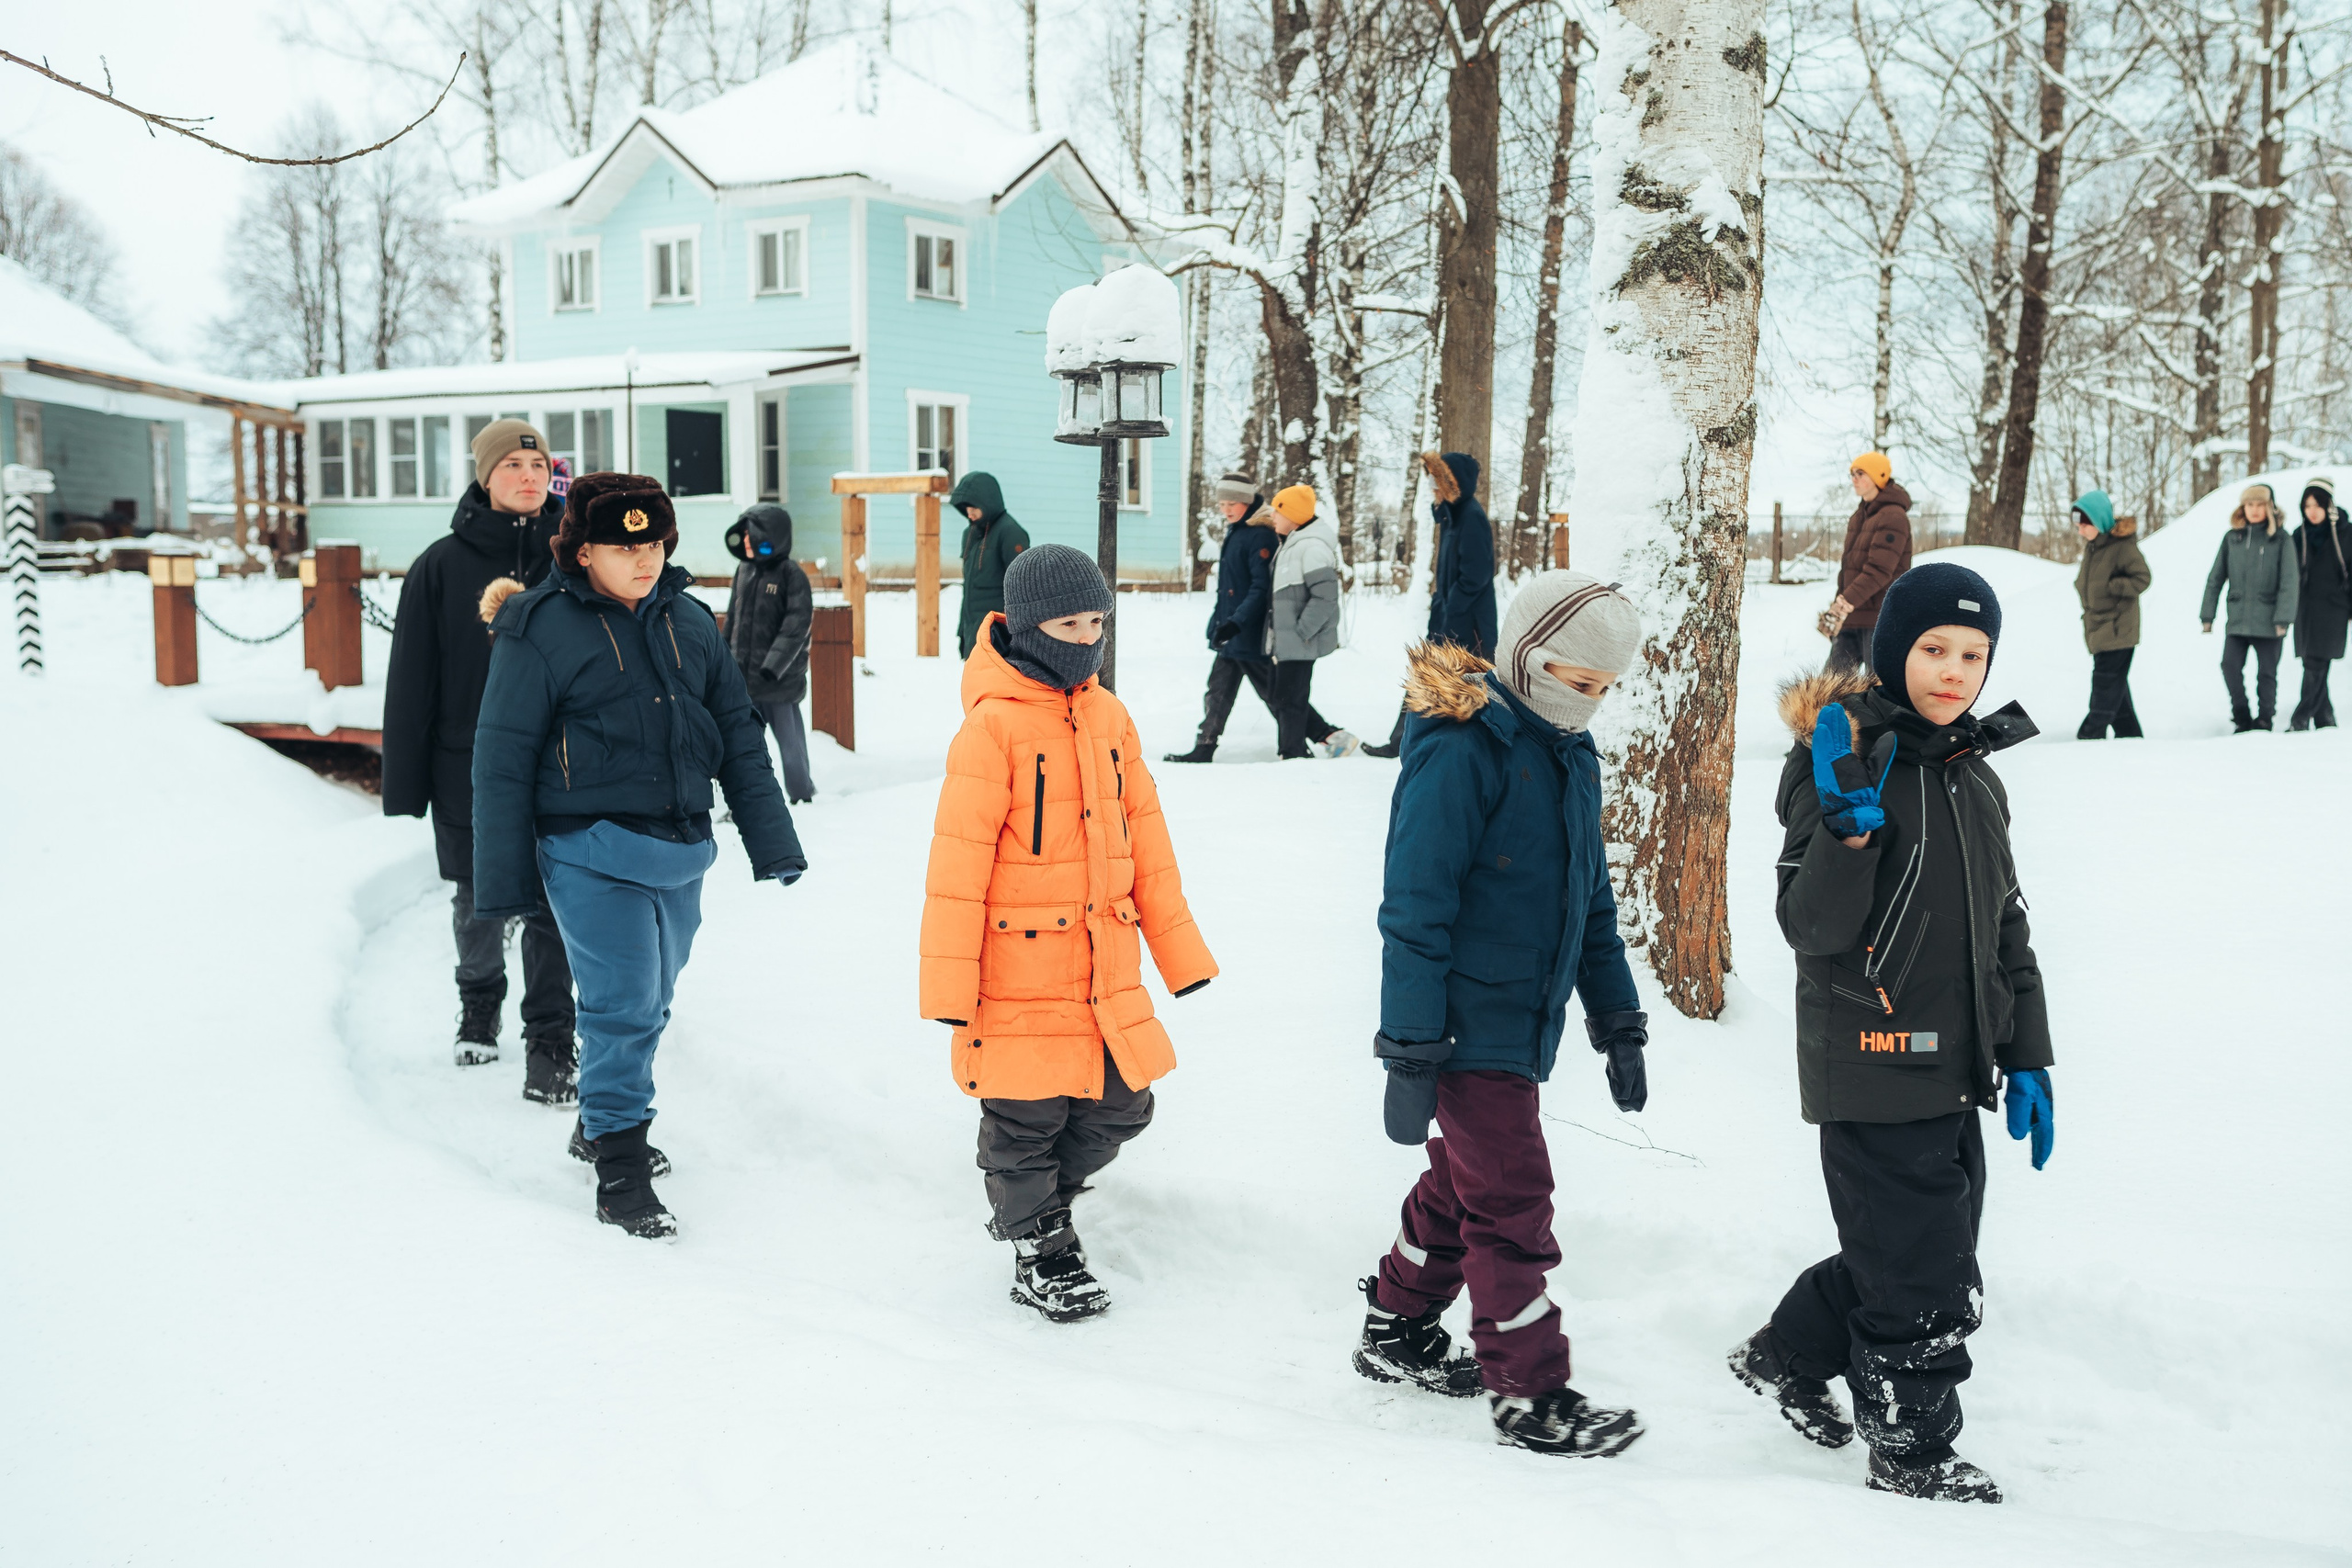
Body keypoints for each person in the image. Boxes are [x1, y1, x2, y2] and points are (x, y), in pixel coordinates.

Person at [1733, 561, 2054, 1506]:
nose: (1954, 671)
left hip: (1956, 1065)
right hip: (1872, 1057)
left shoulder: (1971, 773)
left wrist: (2026, 1050)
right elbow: (1811, 928)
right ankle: (1909, 1447)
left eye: (1972, 653)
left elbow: (2006, 927)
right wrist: (1848, 836)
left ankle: (1783, 1354)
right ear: (1890, 649)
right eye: (1932, 649)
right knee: (1925, 1277)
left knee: (1916, 1248)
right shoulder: (1843, 754)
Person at [1356, 572, 1648, 1459]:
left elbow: (1591, 903)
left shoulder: (1570, 755)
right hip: (1458, 1026)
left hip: (1525, 1022)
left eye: (1602, 689)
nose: (1585, 702)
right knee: (1513, 1197)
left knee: (1466, 1183)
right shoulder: (1460, 747)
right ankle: (1529, 1391)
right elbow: (1415, 904)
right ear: (1524, 653)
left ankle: (1396, 1326)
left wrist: (1619, 1020)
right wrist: (1410, 1050)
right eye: (1572, 677)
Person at [472, 472, 806, 1239]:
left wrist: (772, 840)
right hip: (586, 847)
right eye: (625, 546)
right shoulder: (537, 625)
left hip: (681, 848)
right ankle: (620, 1163)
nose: (644, 558)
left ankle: (597, 1117)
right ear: (584, 551)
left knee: (653, 997)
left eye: (653, 542)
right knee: (622, 1002)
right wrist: (506, 882)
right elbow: (501, 759)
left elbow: (737, 733)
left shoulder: (689, 620)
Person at [920, 544, 1217, 1321]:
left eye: (1097, 621)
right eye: (1068, 623)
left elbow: (1149, 845)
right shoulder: (991, 730)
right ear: (1026, 626)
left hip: (1102, 962)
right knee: (1026, 1115)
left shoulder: (1110, 717)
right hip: (1014, 970)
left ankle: (1038, 1202)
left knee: (1126, 1102)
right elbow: (956, 867)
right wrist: (949, 988)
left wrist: (1179, 952)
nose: (1086, 638)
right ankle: (1040, 1244)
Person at [381, 419, 579, 1098]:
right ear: (485, 476)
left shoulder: (576, 556)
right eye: (513, 466)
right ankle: (479, 1005)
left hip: (564, 763)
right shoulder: (440, 565)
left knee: (555, 899)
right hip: (465, 763)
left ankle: (551, 1040)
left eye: (538, 465)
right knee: (478, 897)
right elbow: (413, 678)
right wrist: (406, 781)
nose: (529, 477)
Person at [1364, 451, 1496, 759]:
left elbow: (1475, 576)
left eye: (1437, 481)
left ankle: (1483, 746)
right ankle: (1401, 740)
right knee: (1425, 676)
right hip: (1449, 618)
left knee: (1476, 689)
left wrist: (1453, 613)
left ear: (1453, 483)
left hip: (1468, 625)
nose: (1432, 487)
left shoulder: (1471, 517)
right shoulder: (1453, 517)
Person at [1164, 471, 1281, 763]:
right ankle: (1205, 744)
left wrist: (1235, 623)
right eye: (1222, 504)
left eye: (1232, 503)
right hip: (1231, 632)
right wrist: (1218, 623)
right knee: (1218, 689)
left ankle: (1322, 734)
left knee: (1275, 694)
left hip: (1249, 632)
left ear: (1247, 501)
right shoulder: (1238, 530)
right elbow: (1229, 588)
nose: (1226, 509)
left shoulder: (1261, 533)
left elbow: (1259, 588)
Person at [723, 503, 817, 802]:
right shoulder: (744, 570)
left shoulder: (791, 575)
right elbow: (733, 620)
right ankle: (746, 798)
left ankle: (802, 795)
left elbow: (796, 626)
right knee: (744, 745)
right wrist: (723, 661)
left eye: (752, 536)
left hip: (778, 682)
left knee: (790, 744)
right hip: (744, 681)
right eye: (744, 537)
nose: (746, 542)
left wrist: (772, 667)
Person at [1263, 485, 1362, 760]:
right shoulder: (1294, 543)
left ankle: (1293, 754)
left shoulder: (1312, 547)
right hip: (1289, 639)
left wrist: (1302, 631)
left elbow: (1325, 597)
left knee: (1290, 698)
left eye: (1278, 511)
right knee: (1282, 695)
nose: (1272, 516)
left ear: (1293, 516)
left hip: (1300, 639)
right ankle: (1299, 748)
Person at [2200, 483, 2299, 732]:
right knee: (2229, 665)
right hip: (2238, 619)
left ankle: (2265, 718)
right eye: (2249, 505)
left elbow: (2290, 581)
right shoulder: (2232, 538)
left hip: (2270, 620)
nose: (2254, 510)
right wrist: (2207, 614)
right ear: (2243, 508)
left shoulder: (2281, 539)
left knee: (2266, 674)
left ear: (2269, 508)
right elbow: (2215, 578)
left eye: (2259, 505)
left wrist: (2283, 618)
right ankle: (2241, 716)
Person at [1818, 452, 1914, 677]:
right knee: (1831, 689)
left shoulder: (1893, 517)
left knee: (1880, 691)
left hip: (1879, 619)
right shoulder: (1859, 517)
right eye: (1852, 474)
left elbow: (1879, 571)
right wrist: (1839, 608)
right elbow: (1850, 569)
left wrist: (1843, 604)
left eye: (1860, 473)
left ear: (1878, 477)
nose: (1854, 479)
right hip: (1853, 618)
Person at [2070, 489, 2150, 739]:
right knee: (2115, 688)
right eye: (2077, 525)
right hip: (2099, 627)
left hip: (2117, 628)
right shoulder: (2095, 547)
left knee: (2105, 686)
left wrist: (2115, 587)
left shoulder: (2122, 547)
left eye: (2084, 524)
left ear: (2099, 520)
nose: (2080, 530)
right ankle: (2130, 736)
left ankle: (2090, 735)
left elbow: (2143, 578)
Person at [951, 471, 1030, 660]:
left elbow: (1022, 587)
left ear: (987, 502)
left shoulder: (1011, 532)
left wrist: (1015, 636)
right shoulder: (970, 534)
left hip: (998, 633)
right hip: (973, 626)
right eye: (965, 508)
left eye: (973, 507)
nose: (969, 513)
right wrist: (963, 630)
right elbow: (971, 587)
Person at [2290, 477, 2347, 730]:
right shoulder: (2297, 535)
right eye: (2307, 506)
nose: (2312, 512)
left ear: (2328, 506)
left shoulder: (2346, 533)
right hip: (2306, 610)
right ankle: (2325, 718)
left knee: (2317, 661)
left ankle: (2300, 718)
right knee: (2313, 661)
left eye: (2317, 505)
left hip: (2334, 608)